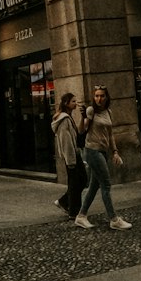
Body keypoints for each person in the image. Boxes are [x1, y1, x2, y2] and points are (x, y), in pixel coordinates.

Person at [75, 85, 131, 230]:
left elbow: (110, 134)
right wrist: (82, 118)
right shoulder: (91, 110)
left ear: (107, 97)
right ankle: (113, 219)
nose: (99, 99)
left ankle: (81, 216)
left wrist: (115, 151)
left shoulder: (108, 112)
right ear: (94, 98)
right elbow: (82, 130)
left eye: (102, 96)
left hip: (103, 151)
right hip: (92, 151)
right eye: (96, 96)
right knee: (106, 184)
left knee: (94, 186)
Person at [52, 91, 86, 219]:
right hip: (71, 156)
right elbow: (66, 141)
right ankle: (73, 211)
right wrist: (71, 160)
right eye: (73, 101)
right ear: (66, 103)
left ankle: (64, 202)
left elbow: (78, 134)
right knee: (77, 182)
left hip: (74, 154)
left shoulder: (68, 117)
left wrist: (83, 117)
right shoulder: (64, 119)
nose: (75, 103)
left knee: (80, 181)